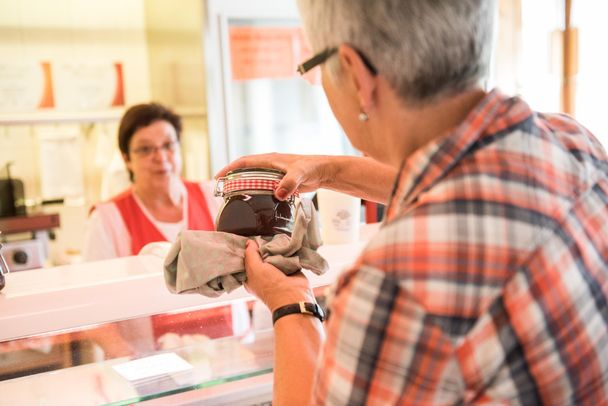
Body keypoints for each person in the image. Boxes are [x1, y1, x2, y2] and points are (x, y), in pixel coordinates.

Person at [216, 0, 608, 404]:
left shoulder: (394, 284)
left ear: (354, 73)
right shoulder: (573, 143)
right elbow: (462, 180)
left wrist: (290, 304)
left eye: (314, 67)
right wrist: (329, 171)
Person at [83, 103, 219, 260]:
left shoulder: (214, 197)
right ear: (126, 159)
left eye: (168, 145)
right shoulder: (106, 221)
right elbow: (99, 283)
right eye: (146, 149)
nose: (161, 158)